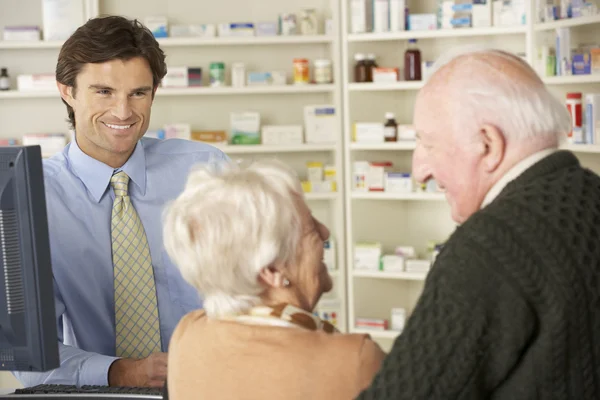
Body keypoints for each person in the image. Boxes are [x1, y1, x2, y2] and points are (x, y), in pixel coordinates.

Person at [357, 46, 600, 399]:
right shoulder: (590, 195)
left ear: (488, 144)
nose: (419, 171)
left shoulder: (488, 247)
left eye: (428, 145)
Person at [13, 16, 228, 388]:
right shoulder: (31, 197)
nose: (123, 112)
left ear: (154, 92)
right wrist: (122, 372)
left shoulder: (206, 170)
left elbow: (261, 287)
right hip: (99, 394)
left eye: (138, 93)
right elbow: (30, 357)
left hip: (215, 384)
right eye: (103, 92)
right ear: (67, 91)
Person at [162, 159, 385, 400]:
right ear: (271, 270)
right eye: (310, 228)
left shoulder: (188, 334)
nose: (325, 233)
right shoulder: (353, 360)